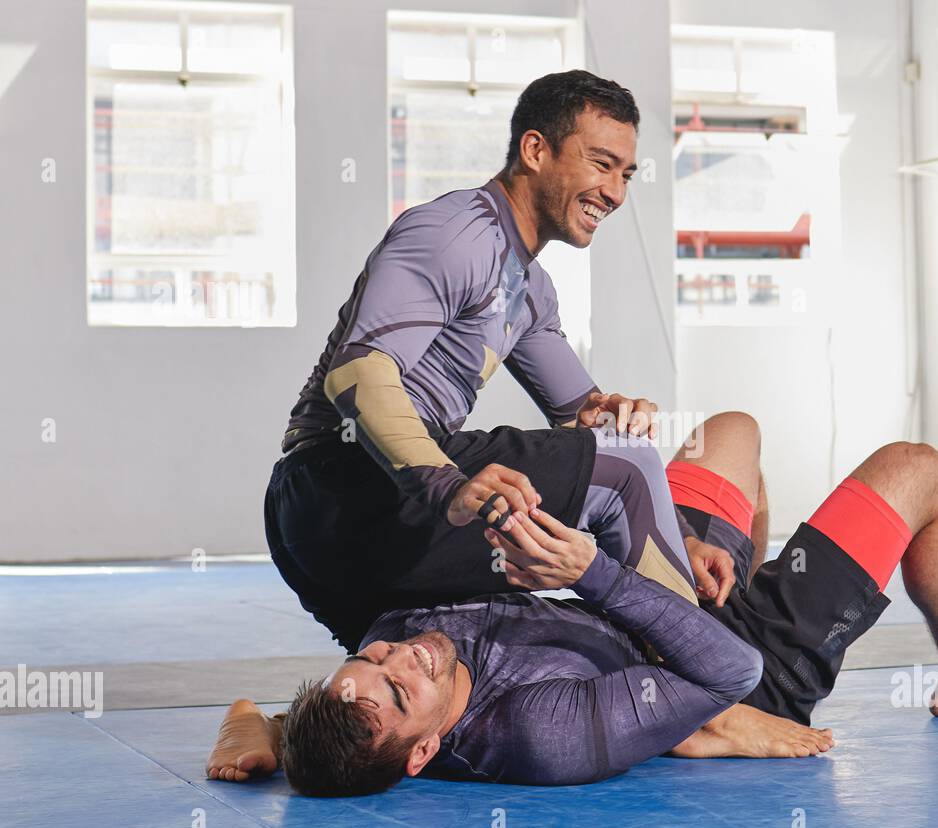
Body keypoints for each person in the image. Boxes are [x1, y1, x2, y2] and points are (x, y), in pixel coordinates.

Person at [209, 413, 938, 793]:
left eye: (371, 659)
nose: (404, 655)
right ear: (428, 749)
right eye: (400, 686)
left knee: (731, 433)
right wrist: (598, 573)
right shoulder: (538, 733)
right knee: (919, 470)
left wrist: (269, 726)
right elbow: (730, 665)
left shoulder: (388, 663)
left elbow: (358, 712)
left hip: (651, 599)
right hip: (730, 676)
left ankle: (730, 575)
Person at [266, 70, 718, 655]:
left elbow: (585, 422)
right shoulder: (457, 233)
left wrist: (673, 528)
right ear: (535, 150)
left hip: (350, 528)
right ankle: (704, 688)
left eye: (626, 174)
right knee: (626, 462)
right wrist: (444, 484)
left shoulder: (530, 288)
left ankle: (265, 726)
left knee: (428, 688)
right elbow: (358, 375)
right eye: (601, 164)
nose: (616, 193)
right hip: (342, 486)